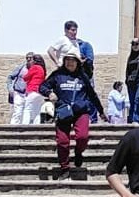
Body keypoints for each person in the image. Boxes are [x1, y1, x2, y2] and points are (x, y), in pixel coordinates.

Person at [40, 49, 105, 179]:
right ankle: (64, 168)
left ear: (77, 62)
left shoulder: (82, 76)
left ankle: (78, 152)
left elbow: (92, 95)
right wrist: (49, 93)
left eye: (73, 60)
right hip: (63, 111)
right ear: (64, 62)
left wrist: (101, 111)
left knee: (82, 137)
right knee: (62, 141)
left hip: (81, 112)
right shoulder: (57, 75)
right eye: (67, 60)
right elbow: (42, 86)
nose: (70, 63)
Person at [20, 53, 48, 125]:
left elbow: (26, 77)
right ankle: (36, 125)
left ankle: (24, 125)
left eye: (31, 59)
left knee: (27, 108)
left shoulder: (34, 67)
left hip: (32, 90)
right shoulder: (42, 69)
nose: (30, 61)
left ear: (35, 61)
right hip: (40, 91)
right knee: (37, 110)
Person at [6, 52, 34, 125]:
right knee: (17, 112)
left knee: (27, 113)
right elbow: (10, 77)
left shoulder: (36, 69)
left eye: (30, 58)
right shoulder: (21, 68)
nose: (28, 59)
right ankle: (12, 131)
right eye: (27, 57)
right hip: (18, 92)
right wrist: (10, 89)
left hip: (29, 94)